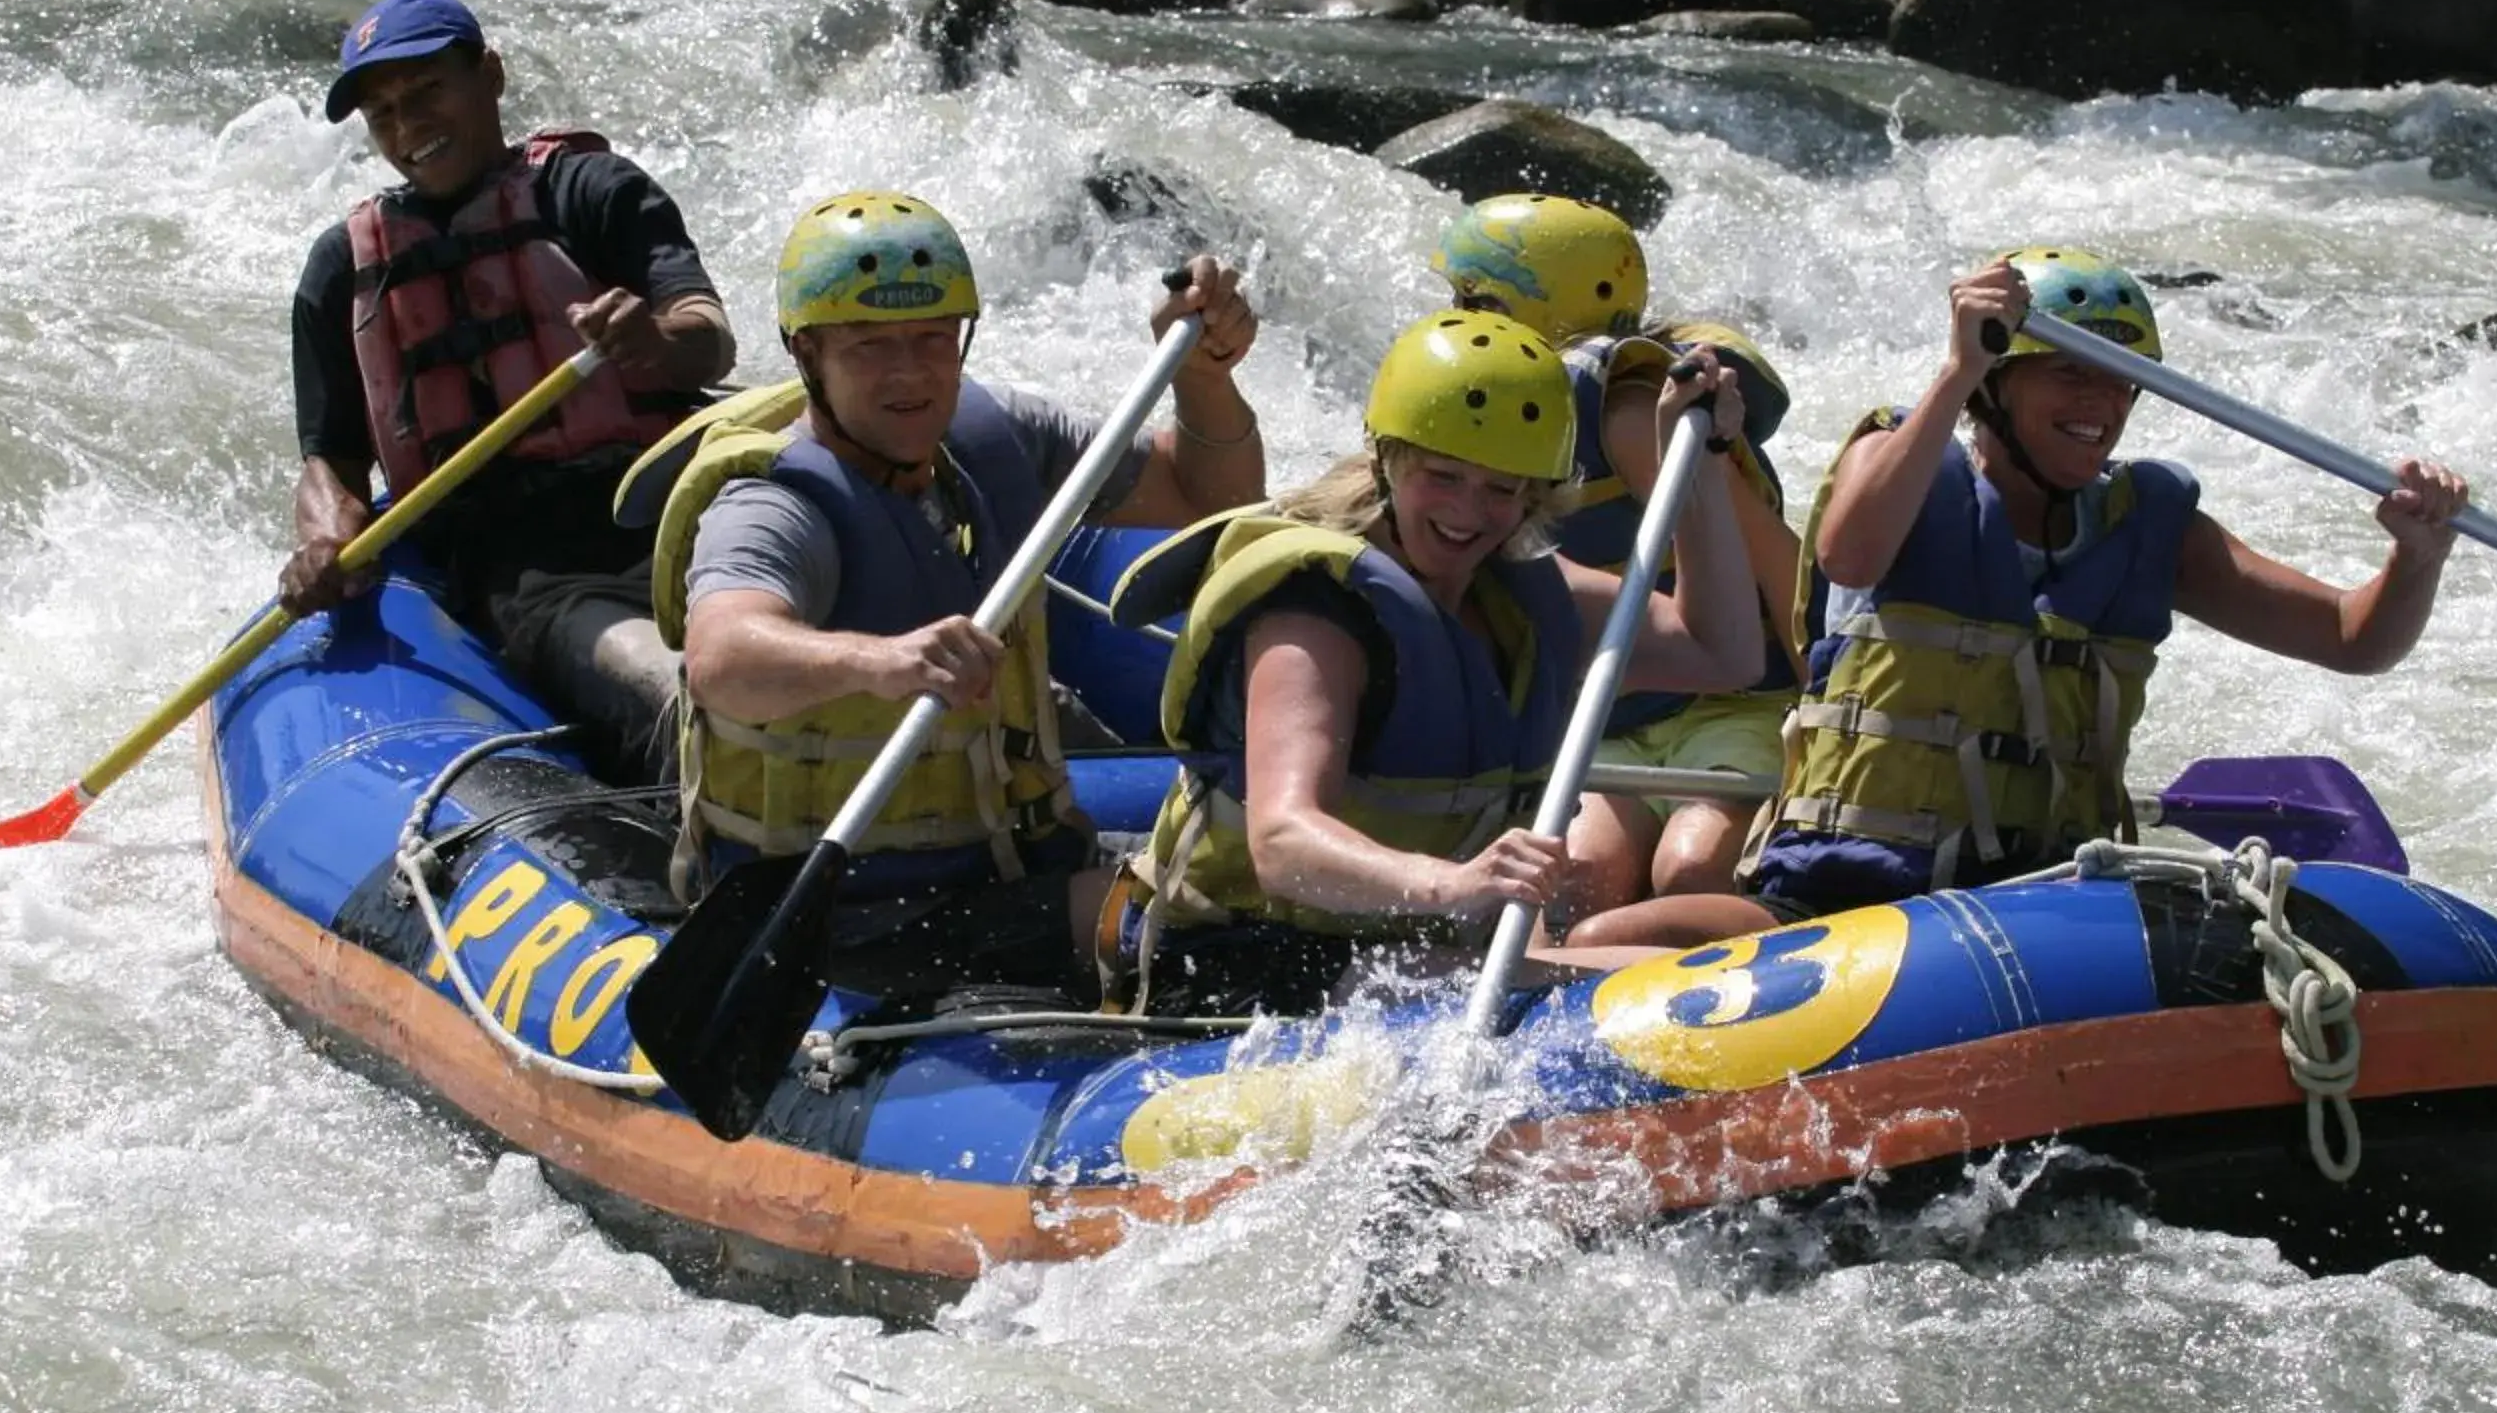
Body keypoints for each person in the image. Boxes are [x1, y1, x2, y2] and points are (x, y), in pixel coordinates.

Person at [1572, 248, 2469, 949]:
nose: (2102, 402)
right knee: (1612, 939)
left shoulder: (2151, 524)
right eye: (2072, 373)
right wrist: (1957, 368)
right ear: (2000, 385)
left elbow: (2353, 640)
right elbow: (1849, 554)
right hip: (1836, 902)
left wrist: (2418, 557)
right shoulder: (1905, 465)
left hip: (2047, 900)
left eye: (2122, 379)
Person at [651, 190, 1265, 1001]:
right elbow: (722, 657)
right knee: (1215, 938)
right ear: (807, 355)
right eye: (869, 347)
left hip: (1007, 863)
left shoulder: (991, 434)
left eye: (934, 338)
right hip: (856, 919)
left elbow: (1203, 491)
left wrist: (1203, 377)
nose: (910, 373)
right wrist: (882, 661)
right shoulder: (775, 504)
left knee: (1267, 879)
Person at [1103, 307, 1766, 1017]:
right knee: (1622, 993)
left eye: (1501, 490)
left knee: (1679, 979)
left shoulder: (1518, 594)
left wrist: (1693, 465)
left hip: (1396, 952)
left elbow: (1720, 652)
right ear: (1390, 460)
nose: (1468, 512)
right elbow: (1283, 843)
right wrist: (1455, 884)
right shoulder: (1316, 616)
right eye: (1443, 477)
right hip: (1242, 959)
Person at [279, 0, 735, 778]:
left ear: (490, 76)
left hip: (678, 514)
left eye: (427, 91)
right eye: (383, 113)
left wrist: (652, 344)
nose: (409, 126)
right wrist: (326, 538)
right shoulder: (343, 269)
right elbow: (332, 460)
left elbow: (710, 340)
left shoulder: (589, 190)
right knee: (682, 695)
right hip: (527, 569)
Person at [1433, 193, 1810, 906]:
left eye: (1475, 301)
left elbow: (1766, 555)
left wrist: (1825, 696)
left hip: (1726, 707)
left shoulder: (1628, 414)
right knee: (1578, 882)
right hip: (1615, 717)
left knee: (1690, 871)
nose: (1454, 320)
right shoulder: (1495, 416)